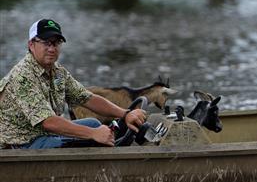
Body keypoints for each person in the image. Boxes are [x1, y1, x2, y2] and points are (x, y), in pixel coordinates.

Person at [0, 18, 147, 149]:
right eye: (46, 42)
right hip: (21, 144)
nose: (52, 49)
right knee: (91, 137)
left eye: (56, 43)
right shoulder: (22, 77)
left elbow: (87, 98)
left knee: (94, 124)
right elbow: (48, 122)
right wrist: (93, 134)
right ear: (31, 45)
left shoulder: (57, 71)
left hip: (45, 133)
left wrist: (126, 114)